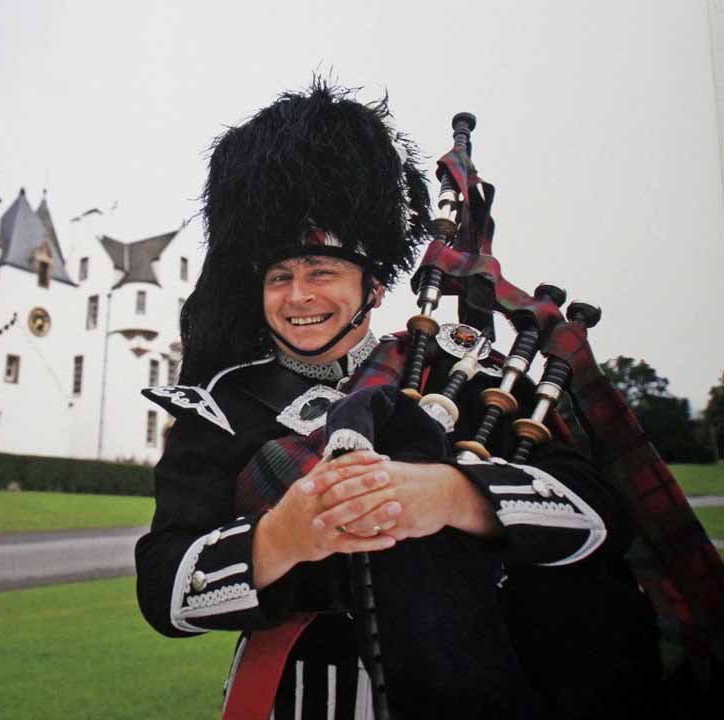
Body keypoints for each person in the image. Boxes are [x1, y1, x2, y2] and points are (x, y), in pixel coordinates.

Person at [135, 81, 661, 719]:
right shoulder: (221, 408)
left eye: (322, 272)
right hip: (298, 694)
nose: (299, 296)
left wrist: (453, 495)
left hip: (476, 682)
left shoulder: (460, 374)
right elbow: (163, 591)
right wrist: (281, 539)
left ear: (376, 288)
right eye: (280, 277)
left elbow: (601, 517)